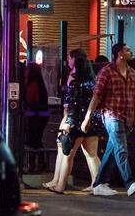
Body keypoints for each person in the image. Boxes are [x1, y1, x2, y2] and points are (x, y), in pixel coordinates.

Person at [80, 43, 135, 197]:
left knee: (112, 149)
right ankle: (129, 182)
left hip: (127, 118)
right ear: (119, 54)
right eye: (127, 50)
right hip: (112, 115)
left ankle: (99, 183)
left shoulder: (132, 73)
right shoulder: (106, 72)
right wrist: (87, 117)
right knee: (121, 149)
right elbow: (97, 95)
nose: (130, 52)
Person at [44, 55, 103, 193]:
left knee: (67, 155)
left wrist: (68, 123)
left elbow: (72, 106)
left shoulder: (76, 84)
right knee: (92, 155)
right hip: (91, 122)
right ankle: (97, 184)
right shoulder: (93, 82)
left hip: (77, 122)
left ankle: (60, 186)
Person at [23, 62, 50, 172]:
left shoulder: (32, 84)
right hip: (42, 115)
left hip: (35, 115)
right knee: (37, 140)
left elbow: (30, 100)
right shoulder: (40, 83)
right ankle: (40, 164)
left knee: (33, 140)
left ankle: (34, 165)